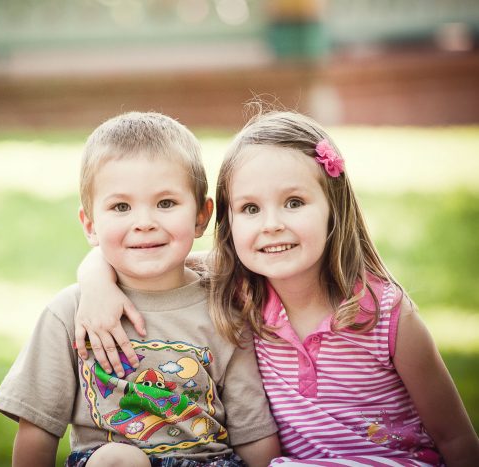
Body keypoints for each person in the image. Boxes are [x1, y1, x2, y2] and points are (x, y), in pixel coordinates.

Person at [73, 110, 479, 465]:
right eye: (251, 208)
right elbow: (148, 262)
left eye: (294, 202)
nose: (271, 224)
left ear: (332, 208)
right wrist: (95, 278)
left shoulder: (386, 313)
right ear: (228, 223)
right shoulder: (235, 290)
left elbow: (456, 438)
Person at [0, 111, 280, 467]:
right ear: (91, 225)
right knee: (118, 459)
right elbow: (37, 428)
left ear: (202, 216)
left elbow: (253, 431)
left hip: (210, 462)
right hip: (112, 462)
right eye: (121, 206)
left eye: (166, 203)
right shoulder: (70, 312)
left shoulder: (223, 305)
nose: (144, 223)